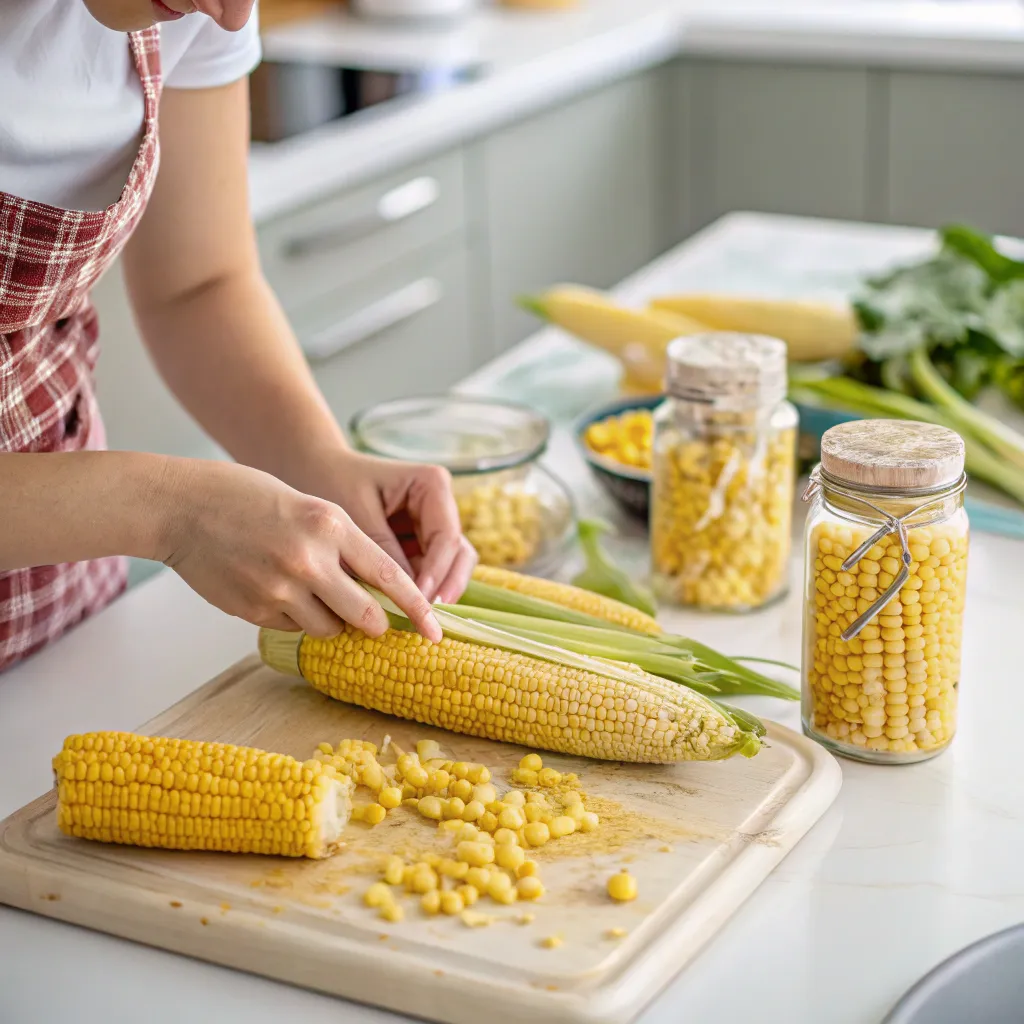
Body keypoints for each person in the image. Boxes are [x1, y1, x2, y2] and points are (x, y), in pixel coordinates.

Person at [0, 0, 477, 672]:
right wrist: (167, 511)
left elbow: (198, 284)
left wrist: (318, 461)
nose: (231, 18)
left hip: (64, 609)